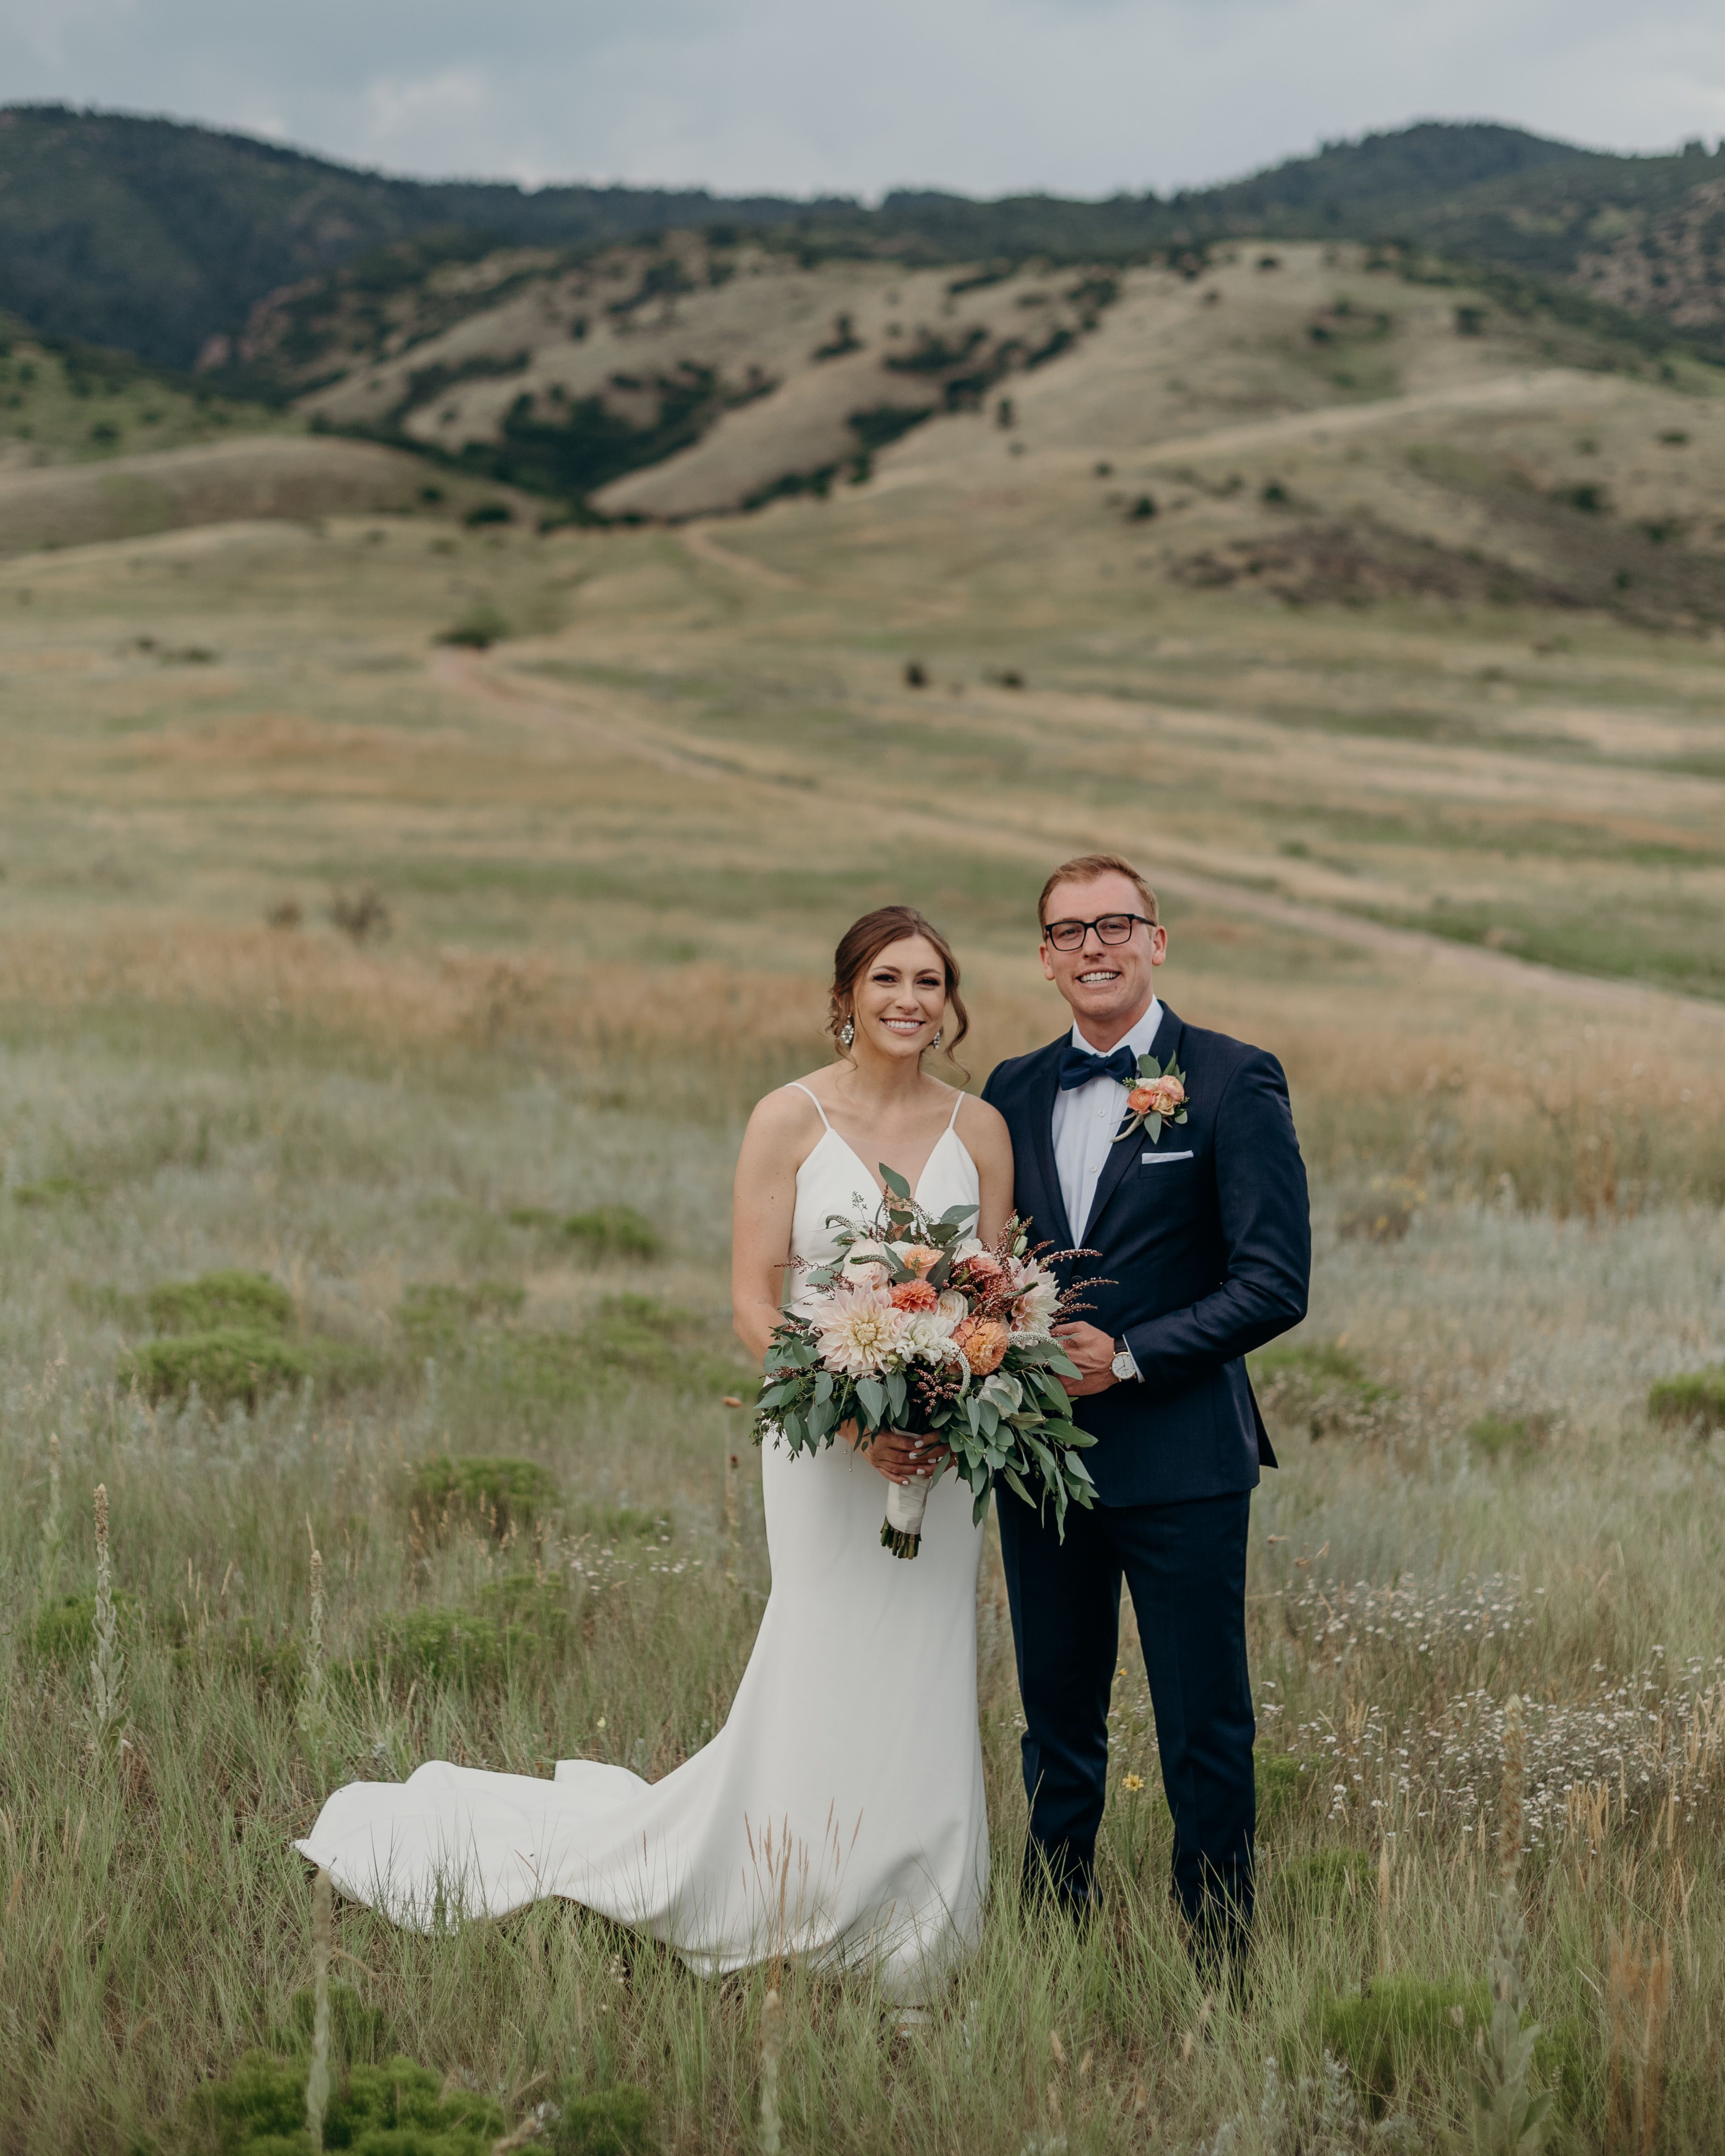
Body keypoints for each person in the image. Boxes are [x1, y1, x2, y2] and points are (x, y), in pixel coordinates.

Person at [296, 904, 1014, 2006]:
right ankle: (785, 1885)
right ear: (845, 997)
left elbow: (989, 1304)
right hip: (824, 1436)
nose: (908, 1000)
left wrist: (934, 1401)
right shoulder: (787, 1120)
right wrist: (856, 1409)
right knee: (825, 1644)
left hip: (943, 1451)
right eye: (886, 980)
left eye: (928, 981)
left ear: (949, 1000)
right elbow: (748, 1297)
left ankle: (918, 1916)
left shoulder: (981, 1129)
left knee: (925, 1653)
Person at [981, 853, 1309, 1970]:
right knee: (1056, 1726)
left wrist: (1124, 1358)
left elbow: (1273, 1284)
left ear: (1155, 940)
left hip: (1182, 1460)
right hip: (1042, 1463)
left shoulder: (1229, 1078)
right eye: (1067, 932)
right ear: (1042, 958)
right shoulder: (1010, 1089)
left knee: (1202, 1730)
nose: (1093, 947)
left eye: (1114, 924)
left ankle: (1219, 1959)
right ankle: (1051, 1944)